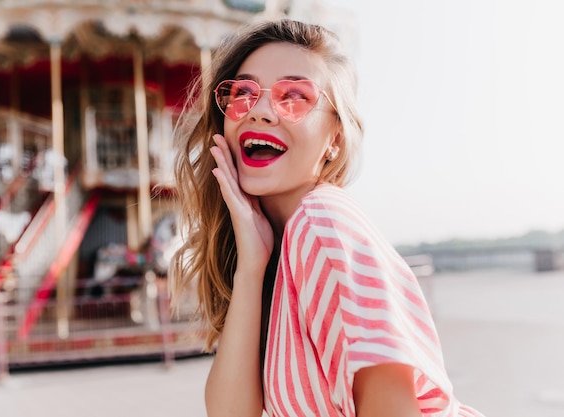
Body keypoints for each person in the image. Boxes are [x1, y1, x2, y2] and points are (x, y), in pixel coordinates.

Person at [170, 18, 485, 417]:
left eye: (295, 96)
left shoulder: (322, 222)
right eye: (243, 93)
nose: (261, 111)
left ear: (334, 138)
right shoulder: (283, 249)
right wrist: (251, 266)